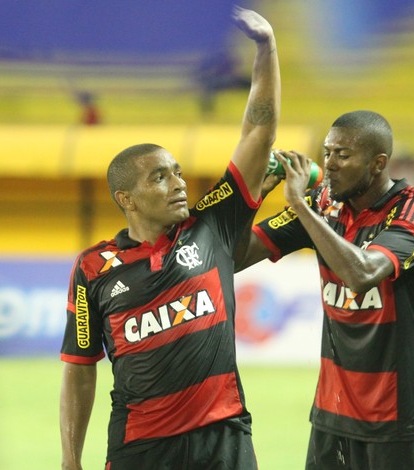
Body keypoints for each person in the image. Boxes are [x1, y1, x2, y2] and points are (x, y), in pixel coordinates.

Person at [60, 6, 280, 470]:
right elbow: (79, 369)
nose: (178, 183)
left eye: (178, 172)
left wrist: (265, 47)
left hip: (223, 439)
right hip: (140, 449)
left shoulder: (212, 224)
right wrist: (70, 460)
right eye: (160, 177)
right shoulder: (92, 268)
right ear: (128, 198)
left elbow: (258, 129)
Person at [236, 110, 414, 469]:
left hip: (400, 416)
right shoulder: (323, 205)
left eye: (343, 155)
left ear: (378, 163)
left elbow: (361, 274)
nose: (329, 164)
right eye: (327, 152)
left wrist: (300, 205)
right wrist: (253, 199)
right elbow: (237, 256)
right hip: (332, 414)